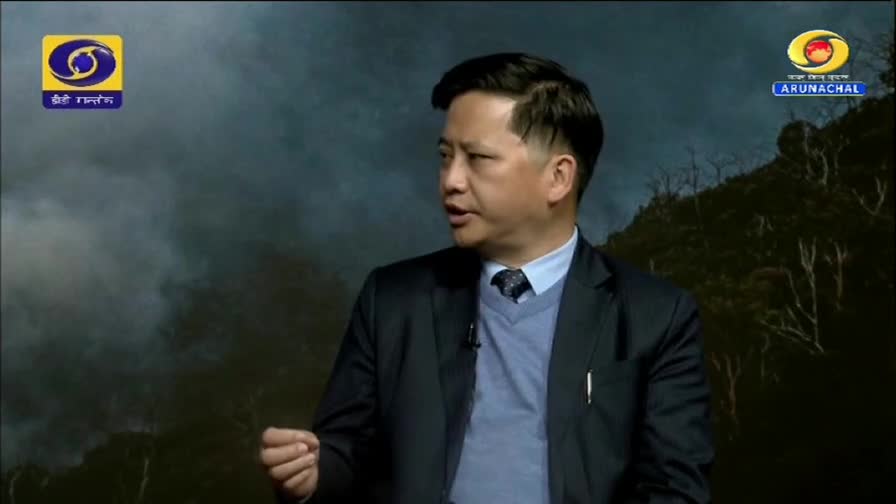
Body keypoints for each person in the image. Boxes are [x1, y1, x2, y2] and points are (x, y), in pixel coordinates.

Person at [259, 52, 714, 504]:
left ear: (558, 177)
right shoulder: (393, 299)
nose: (451, 181)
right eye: (445, 157)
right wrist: (313, 475)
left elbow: (674, 490)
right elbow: (347, 453)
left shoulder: (656, 316)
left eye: (477, 158)